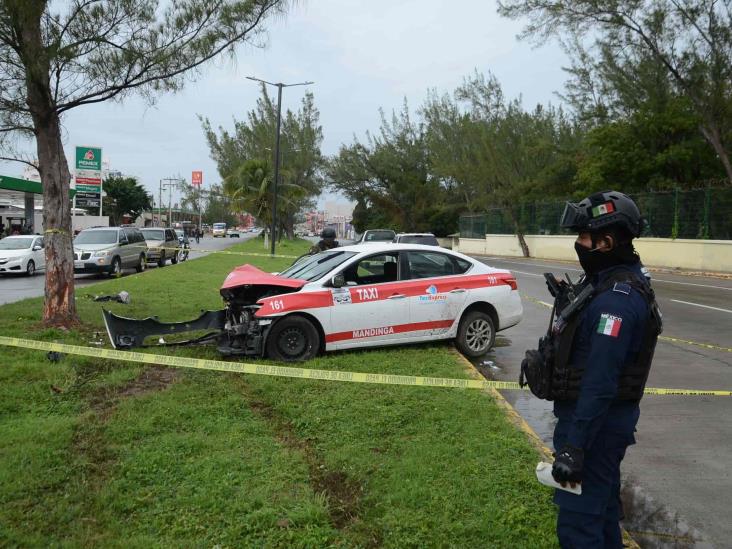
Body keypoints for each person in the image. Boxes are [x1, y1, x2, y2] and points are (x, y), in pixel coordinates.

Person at [520, 190, 662, 548]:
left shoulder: (616, 302)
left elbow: (600, 381)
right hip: (599, 428)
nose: (579, 244)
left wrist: (574, 447)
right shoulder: (609, 282)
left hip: (595, 432)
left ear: (607, 241)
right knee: (601, 517)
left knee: (579, 527)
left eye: (584, 237)